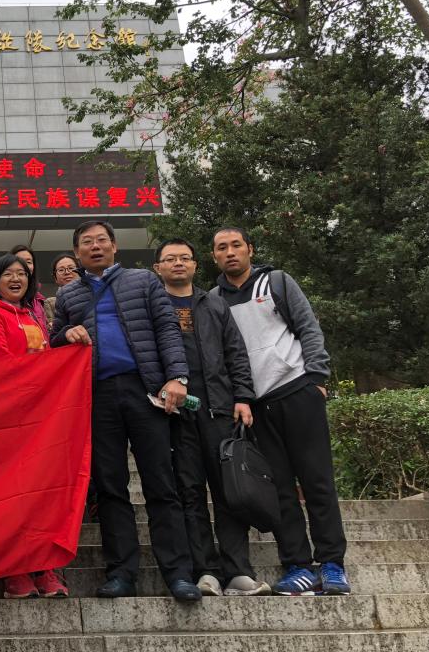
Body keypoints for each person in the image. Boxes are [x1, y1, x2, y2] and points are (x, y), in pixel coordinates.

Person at [50, 220, 201, 602]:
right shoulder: (68, 295)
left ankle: (178, 573)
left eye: (102, 240)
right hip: (97, 396)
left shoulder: (143, 281)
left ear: (114, 246)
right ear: (77, 252)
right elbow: (54, 341)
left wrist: (177, 377)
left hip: (144, 390)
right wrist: (65, 334)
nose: (95, 246)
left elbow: (167, 329)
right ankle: (121, 573)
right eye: (87, 242)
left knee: (161, 482)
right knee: (111, 487)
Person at [211, 227, 349, 596]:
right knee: (279, 490)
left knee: (317, 481)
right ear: (214, 257)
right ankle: (297, 564)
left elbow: (308, 328)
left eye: (236, 245)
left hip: (297, 390)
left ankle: (332, 563)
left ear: (250, 249)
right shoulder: (214, 300)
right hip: (256, 406)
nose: (230, 252)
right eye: (222, 248)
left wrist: (316, 378)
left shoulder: (276, 282)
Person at [153, 239, 270, 597]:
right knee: (189, 492)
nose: (178, 263)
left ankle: (238, 571)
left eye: (184, 258)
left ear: (195, 265)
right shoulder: (152, 305)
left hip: (218, 409)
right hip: (175, 415)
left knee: (228, 490)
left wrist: (243, 397)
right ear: (158, 268)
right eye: (170, 259)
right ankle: (205, 570)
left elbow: (236, 353)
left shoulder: (215, 304)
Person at [0, 254, 69, 600]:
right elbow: (1, 363)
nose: (16, 279)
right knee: (11, 496)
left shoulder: (32, 315)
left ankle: (44, 568)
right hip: (8, 417)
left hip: (40, 416)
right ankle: (14, 572)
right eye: (8, 274)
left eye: (22, 274)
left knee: (40, 494)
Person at [10, 245, 49, 334]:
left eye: (28, 262)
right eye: (19, 261)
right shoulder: (5, 298)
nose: (25, 265)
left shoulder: (38, 300)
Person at [44, 253, 79, 320]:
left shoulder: (92, 295)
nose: (67, 272)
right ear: (55, 278)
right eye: (61, 270)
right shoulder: (50, 303)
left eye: (71, 268)